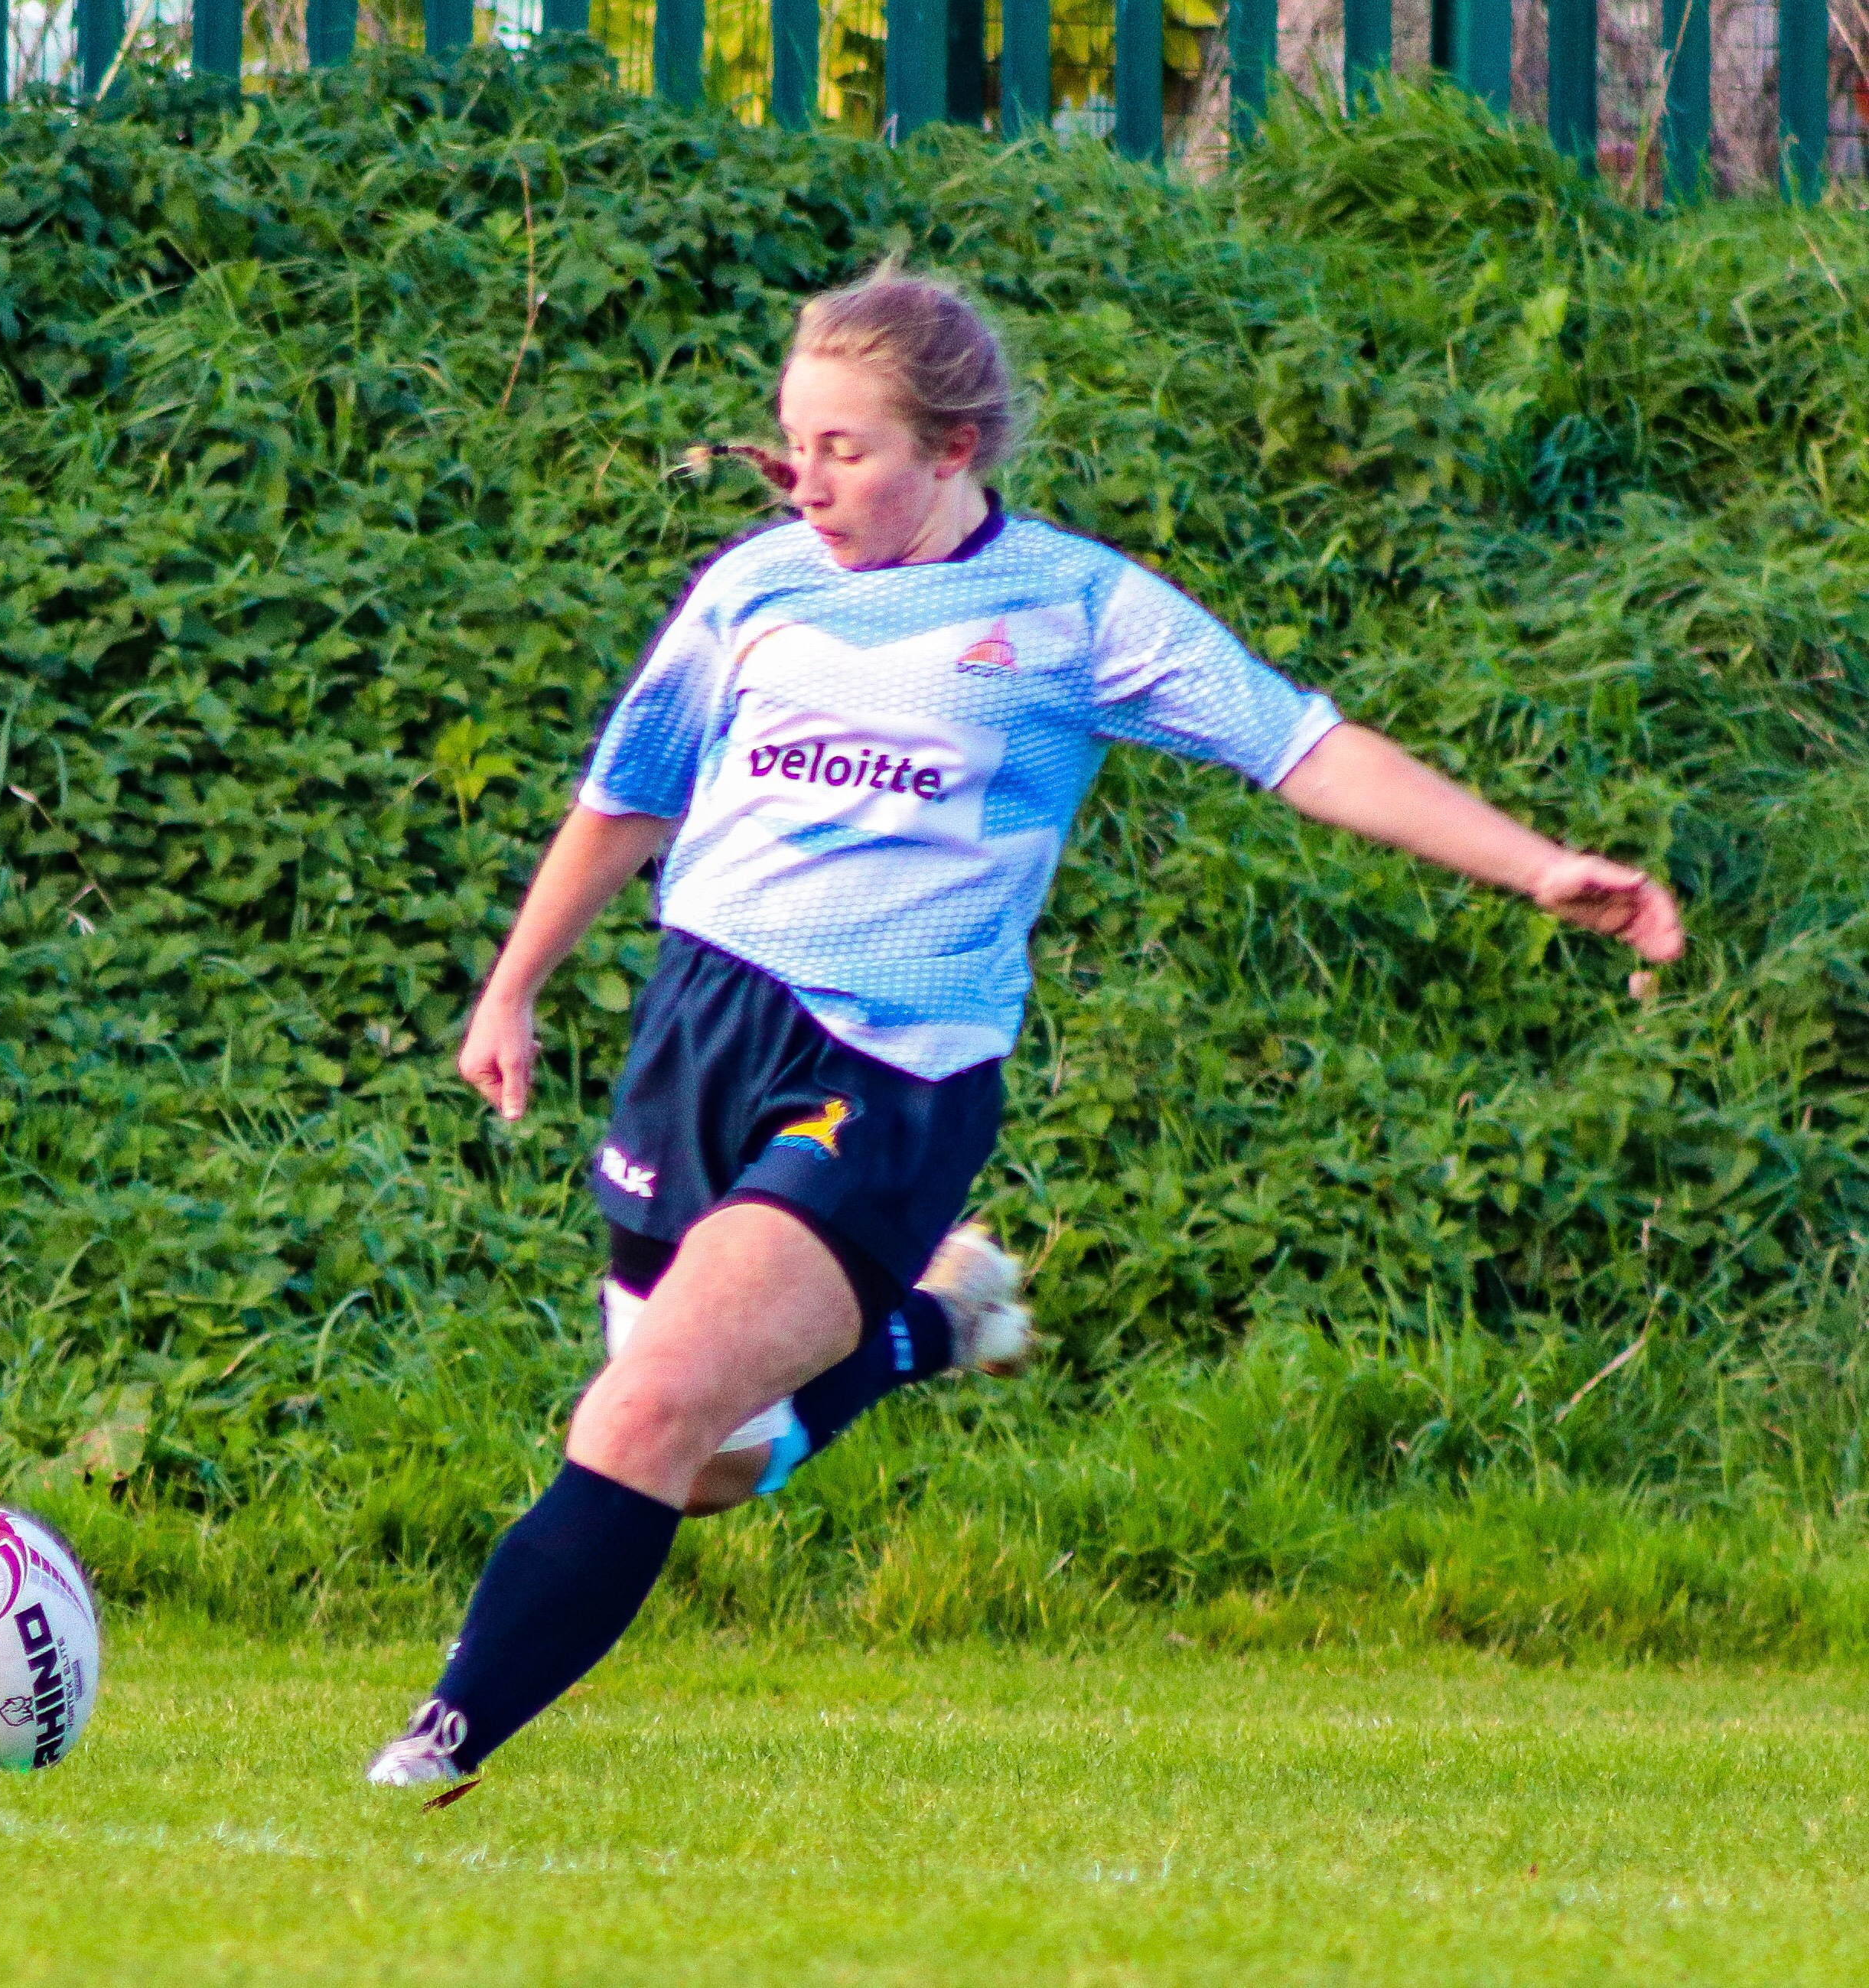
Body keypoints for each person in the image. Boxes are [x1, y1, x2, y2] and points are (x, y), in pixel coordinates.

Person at [364, 266, 1685, 1790]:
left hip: (889, 1074)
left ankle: (442, 1738)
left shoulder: (1074, 609)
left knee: (643, 1410)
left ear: (953, 447)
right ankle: (937, 1321)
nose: (805, 482)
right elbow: (632, 791)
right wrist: (513, 984)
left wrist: (1533, 865)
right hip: (697, 1036)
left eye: (845, 449)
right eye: (790, 446)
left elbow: (1300, 745)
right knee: (706, 1460)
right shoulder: (749, 586)